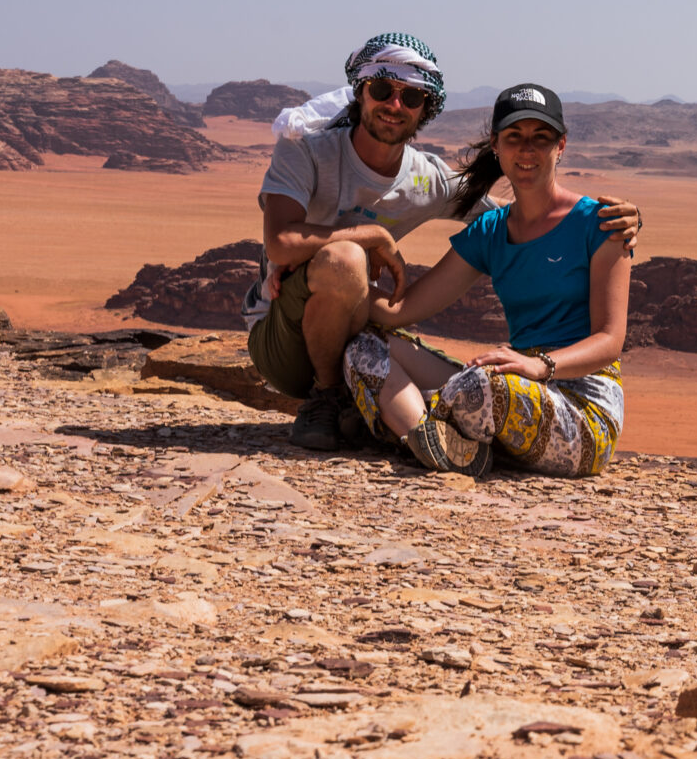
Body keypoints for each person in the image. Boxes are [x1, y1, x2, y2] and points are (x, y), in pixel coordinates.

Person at [243, 37, 640, 452]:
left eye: (411, 95)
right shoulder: (305, 149)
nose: (395, 105)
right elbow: (290, 248)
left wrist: (617, 221)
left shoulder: (430, 181)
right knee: (355, 301)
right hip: (286, 336)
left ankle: (427, 436)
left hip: (567, 389)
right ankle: (380, 421)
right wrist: (328, 267)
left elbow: (534, 217)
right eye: (382, 90)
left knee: (459, 380)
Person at [338, 82, 630, 479]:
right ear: (496, 144)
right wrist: (334, 286)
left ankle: (412, 426)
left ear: (561, 146)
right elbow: (403, 310)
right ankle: (439, 444)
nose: (527, 150)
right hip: (513, 379)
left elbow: (609, 341)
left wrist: (539, 365)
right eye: (514, 138)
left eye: (540, 139)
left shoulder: (600, 223)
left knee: (480, 386)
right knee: (367, 347)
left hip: (582, 407)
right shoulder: (490, 231)